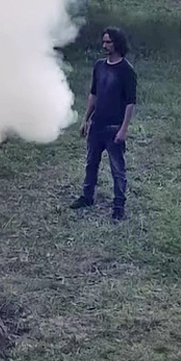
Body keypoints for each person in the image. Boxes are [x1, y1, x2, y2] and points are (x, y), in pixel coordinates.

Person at [69, 27, 137, 221]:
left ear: (117, 43)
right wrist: (86, 119)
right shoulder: (99, 66)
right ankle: (87, 196)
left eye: (108, 42)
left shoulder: (126, 71)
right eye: (104, 42)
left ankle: (118, 206)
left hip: (114, 128)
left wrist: (124, 129)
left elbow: (130, 102)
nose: (104, 45)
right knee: (91, 163)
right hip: (97, 126)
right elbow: (94, 94)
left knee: (117, 169)